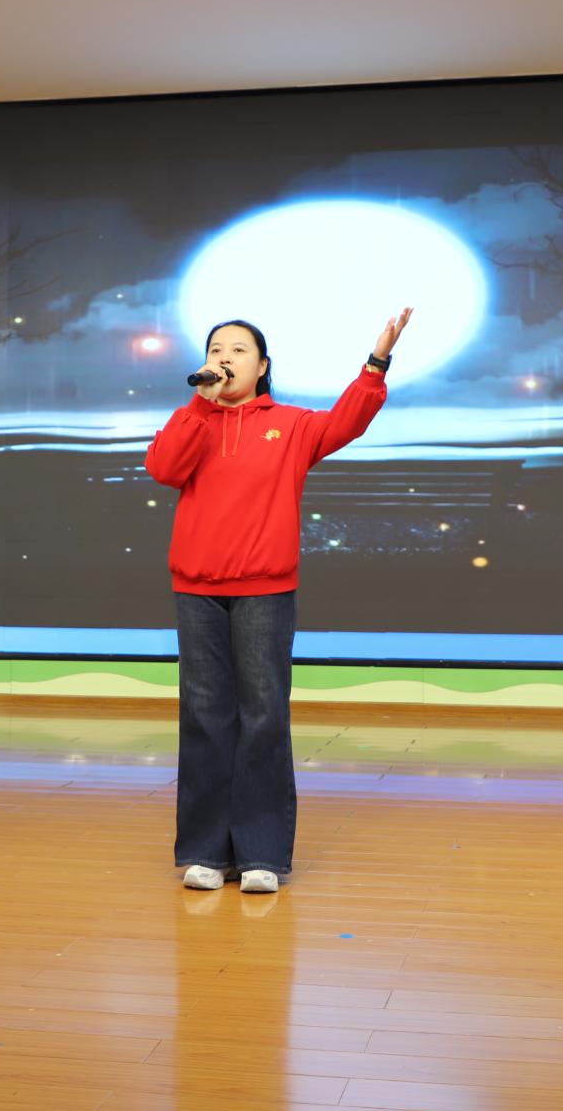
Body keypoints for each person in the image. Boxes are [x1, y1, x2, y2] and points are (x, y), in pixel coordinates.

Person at [145, 311, 411, 893]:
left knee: (263, 717)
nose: (224, 357)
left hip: (265, 589)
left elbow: (347, 422)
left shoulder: (289, 425)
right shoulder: (192, 420)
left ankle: (261, 854)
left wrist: (376, 364)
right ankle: (208, 853)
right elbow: (163, 468)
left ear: (262, 366)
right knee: (204, 717)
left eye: (238, 349)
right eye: (216, 349)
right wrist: (199, 406)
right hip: (197, 590)